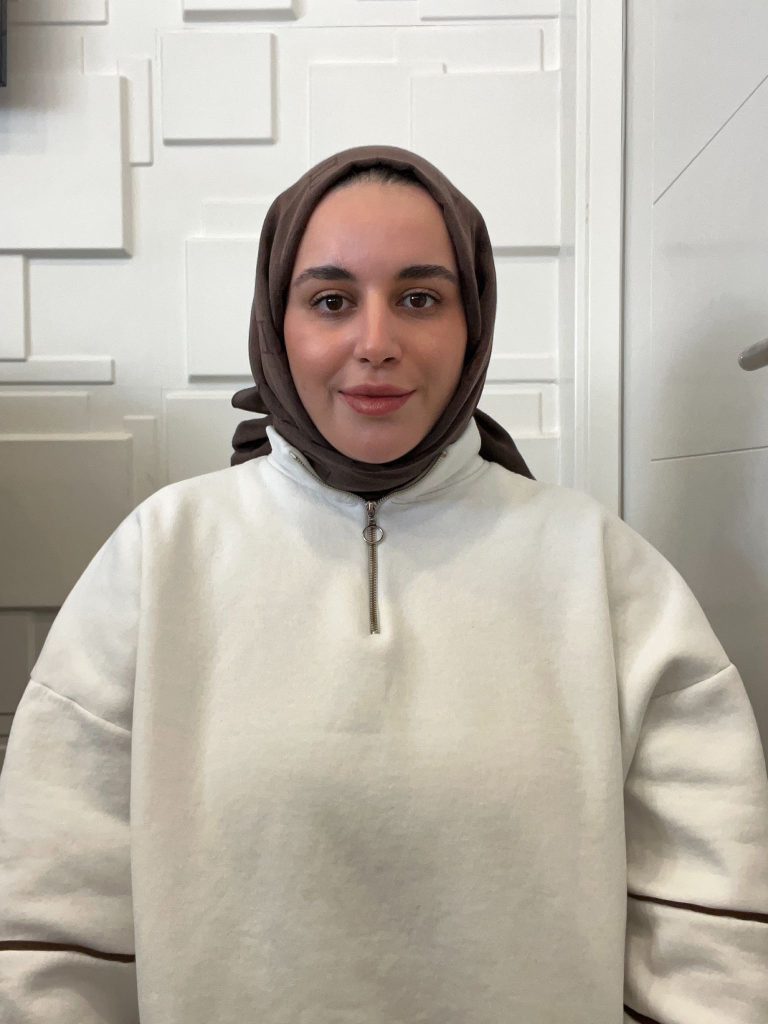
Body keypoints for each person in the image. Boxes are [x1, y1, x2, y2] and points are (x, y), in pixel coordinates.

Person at [0, 145, 766, 1024]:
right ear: (276, 323)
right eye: (331, 300)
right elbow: (53, 914)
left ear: (472, 322)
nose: (376, 344)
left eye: (419, 299)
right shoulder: (158, 558)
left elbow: (708, 930)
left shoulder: (603, 569)